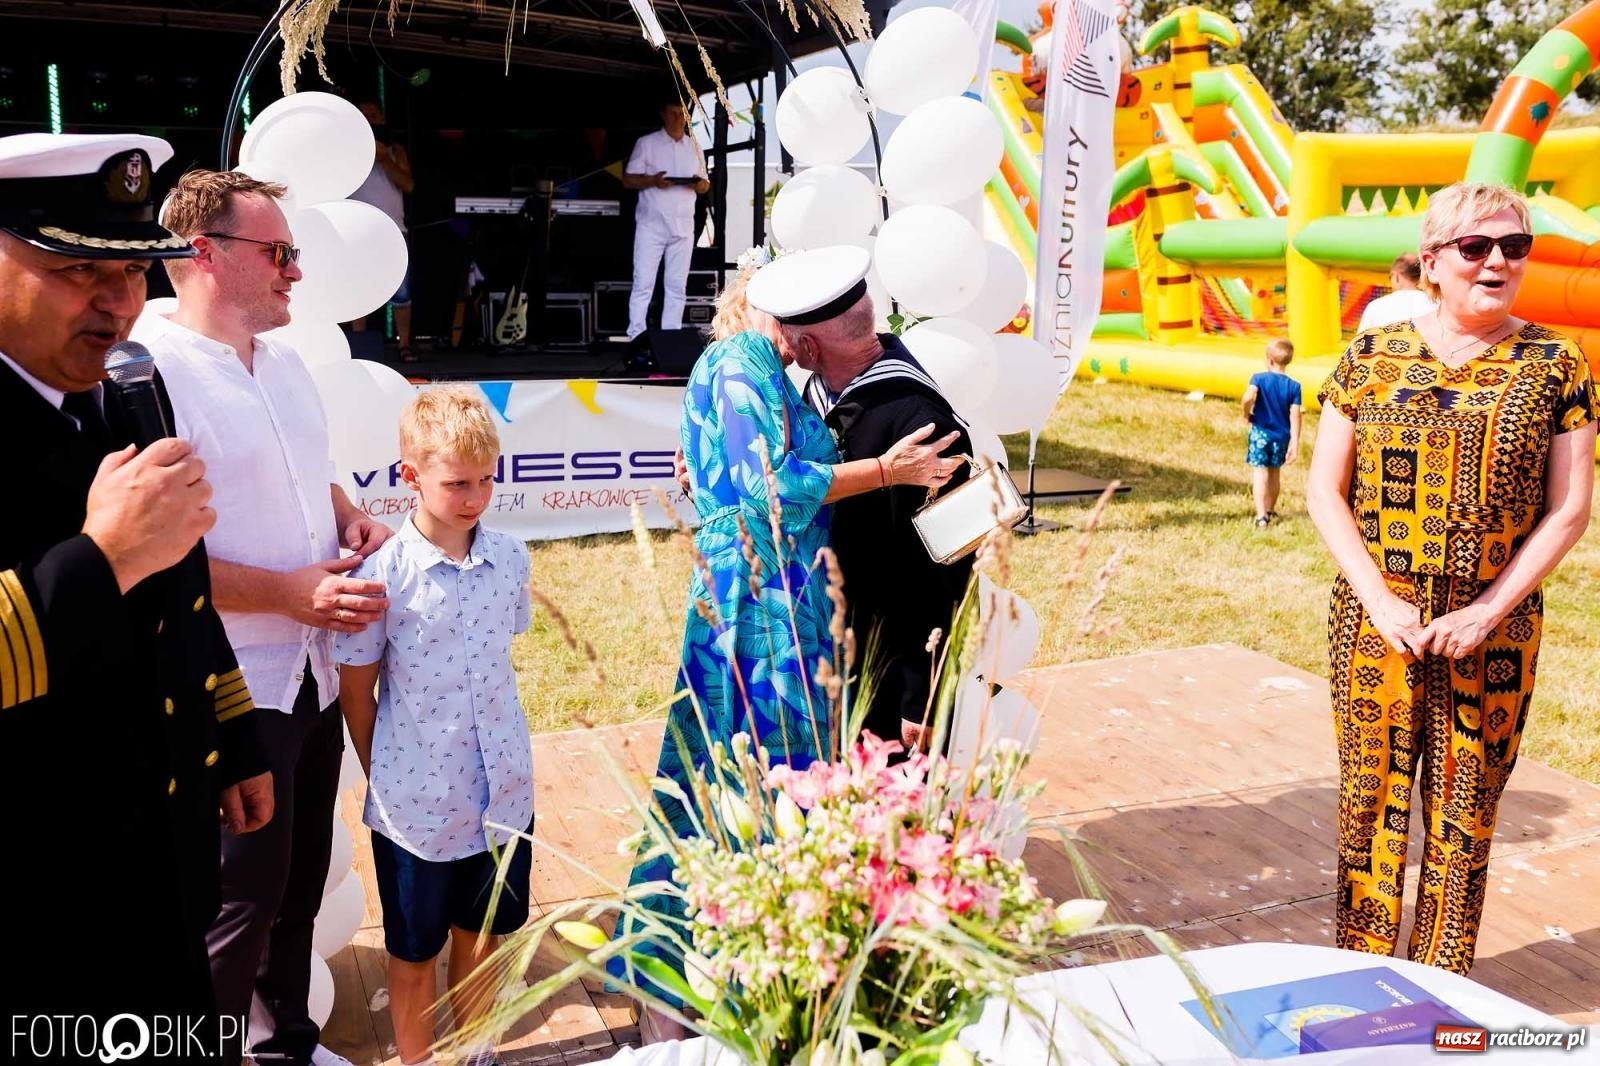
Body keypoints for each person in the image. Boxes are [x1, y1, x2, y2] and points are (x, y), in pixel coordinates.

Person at [612, 245, 963, 1043]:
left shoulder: (757, 368)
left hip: (780, 604)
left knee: (740, 782)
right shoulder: (744, 364)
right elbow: (768, 487)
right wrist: (886, 470)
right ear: (797, 334)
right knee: (750, 784)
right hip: (758, 609)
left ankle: (716, 976)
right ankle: (689, 987)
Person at [0, 132, 271, 1028]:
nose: (118, 301)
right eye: (78, 268)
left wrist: (230, 734)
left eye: (130, 270)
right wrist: (103, 557)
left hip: (163, 861)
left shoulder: (122, 396)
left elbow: (178, 588)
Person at [137, 167, 393, 1066]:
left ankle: (286, 1043)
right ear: (203, 254)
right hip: (230, 685)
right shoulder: (149, 373)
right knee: (232, 904)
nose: (296, 271)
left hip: (310, 673)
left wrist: (346, 515)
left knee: (294, 887)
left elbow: (304, 476)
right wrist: (286, 593)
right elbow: (148, 556)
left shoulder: (283, 362)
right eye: (279, 252)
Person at [1306, 182, 1595, 975]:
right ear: (1433, 262)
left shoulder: (1556, 364)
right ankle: (1360, 977)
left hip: (1494, 631)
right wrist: (1380, 601)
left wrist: (1487, 612)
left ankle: (1441, 990)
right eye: (1476, 247)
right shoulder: (1371, 355)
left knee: (1465, 814)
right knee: (1368, 803)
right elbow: (1324, 491)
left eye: (1514, 246)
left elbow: (1570, 510)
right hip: (1374, 623)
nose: (1497, 261)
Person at [335, 387, 535, 1066]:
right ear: (410, 476)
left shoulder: (511, 559)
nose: (475, 498)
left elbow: (501, 655)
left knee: (481, 939)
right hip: (416, 811)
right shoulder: (380, 576)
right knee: (414, 953)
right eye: (456, 483)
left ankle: (476, 1055)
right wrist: (388, 775)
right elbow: (357, 692)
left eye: (485, 480)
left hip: (504, 796)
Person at [771, 256, 976, 753]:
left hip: (887, 671)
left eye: (788, 340)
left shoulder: (925, 424)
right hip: (828, 651)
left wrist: (923, 694)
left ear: (809, 346)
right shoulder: (820, 391)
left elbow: (947, 572)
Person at [621, 95, 710, 340]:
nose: (678, 118)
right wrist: (653, 180)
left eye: (681, 114)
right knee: (643, 283)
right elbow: (628, 179)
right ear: (663, 114)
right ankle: (636, 337)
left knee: (676, 286)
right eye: (673, 113)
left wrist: (698, 184)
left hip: (683, 226)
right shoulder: (647, 143)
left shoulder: (694, 147)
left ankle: (671, 337)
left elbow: (705, 185)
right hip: (652, 225)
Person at [350, 100, 417, 360]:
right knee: (358, 288)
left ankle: (404, 345)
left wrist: (384, 158)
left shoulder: (394, 150)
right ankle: (359, 347)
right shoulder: (347, 151)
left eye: (374, 115)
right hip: (357, 230)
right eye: (364, 115)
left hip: (393, 229)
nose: (370, 120)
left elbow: (408, 185)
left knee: (401, 290)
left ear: (382, 119)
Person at [1241, 338, 1302, 528]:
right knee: (1275, 473)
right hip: (1281, 436)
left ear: (1269, 360)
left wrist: (1245, 413)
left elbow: (1248, 397)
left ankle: (1261, 516)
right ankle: (1270, 509)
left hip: (1260, 433)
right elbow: (1295, 415)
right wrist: (1295, 442)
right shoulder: (1294, 386)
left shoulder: (1258, 379)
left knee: (1260, 473)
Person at [1356, 252, 1436, 332]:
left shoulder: (1375, 307)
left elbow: (1361, 339)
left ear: (1396, 276)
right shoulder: (1435, 304)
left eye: (1390, 276)